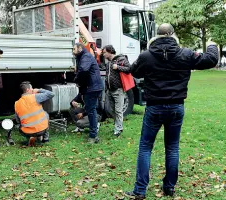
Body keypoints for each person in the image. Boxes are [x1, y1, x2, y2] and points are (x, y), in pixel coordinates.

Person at [125, 23, 218, 199]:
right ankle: (169, 187)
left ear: (157, 35)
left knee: (145, 147)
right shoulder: (186, 54)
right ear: (172, 35)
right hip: (176, 107)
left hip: (154, 107)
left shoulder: (147, 56)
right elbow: (210, 60)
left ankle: (140, 191)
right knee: (172, 148)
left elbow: (134, 71)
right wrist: (212, 44)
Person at [73, 43, 103, 144]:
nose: (73, 51)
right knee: (91, 110)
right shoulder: (83, 56)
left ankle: (93, 136)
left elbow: (84, 70)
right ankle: (93, 134)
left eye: (74, 49)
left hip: (92, 87)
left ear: (80, 48)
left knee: (91, 111)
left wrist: (77, 79)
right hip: (91, 87)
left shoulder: (85, 56)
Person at [102, 45, 131, 137]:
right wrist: (106, 90)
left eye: (104, 52)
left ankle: (118, 129)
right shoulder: (108, 63)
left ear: (110, 51)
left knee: (118, 110)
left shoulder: (121, 59)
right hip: (110, 90)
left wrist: (118, 67)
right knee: (112, 110)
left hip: (118, 89)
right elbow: (107, 77)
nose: (103, 54)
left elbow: (129, 69)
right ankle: (118, 126)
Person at [15, 81, 54, 147]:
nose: (33, 89)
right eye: (32, 88)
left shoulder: (17, 103)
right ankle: (45, 138)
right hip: (42, 130)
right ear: (28, 90)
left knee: (19, 125)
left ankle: (30, 137)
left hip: (27, 132)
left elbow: (18, 120)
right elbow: (51, 94)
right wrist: (38, 90)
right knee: (46, 114)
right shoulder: (35, 97)